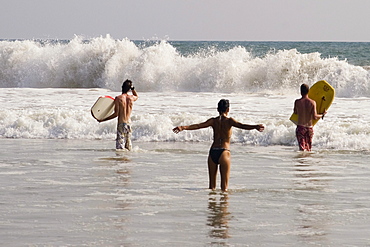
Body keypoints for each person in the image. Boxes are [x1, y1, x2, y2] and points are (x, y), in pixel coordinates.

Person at [173, 99, 264, 192]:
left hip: (213, 152)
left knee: (211, 188)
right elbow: (242, 125)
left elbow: (198, 126)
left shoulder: (213, 121)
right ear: (228, 109)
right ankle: (223, 206)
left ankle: (212, 205)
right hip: (224, 152)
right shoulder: (229, 121)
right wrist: (255, 126)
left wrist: (183, 127)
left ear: (217, 109)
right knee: (224, 189)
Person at [98, 79, 138, 151]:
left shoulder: (118, 98)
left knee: (120, 148)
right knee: (128, 147)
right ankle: (127, 161)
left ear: (122, 87)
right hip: (129, 124)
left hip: (121, 124)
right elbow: (136, 96)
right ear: (129, 89)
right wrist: (133, 88)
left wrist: (103, 119)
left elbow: (116, 114)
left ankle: (121, 161)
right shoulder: (131, 98)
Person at [293, 84, 326, 151]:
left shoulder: (297, 102)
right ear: (308, 91)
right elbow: (315, 116)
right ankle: (308, 160)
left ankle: (302, 160)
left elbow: (295, 112)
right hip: (309, 128)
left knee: (302, 149)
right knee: (308, 148)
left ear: (300, 92)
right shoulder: (312, 102)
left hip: (300, 128)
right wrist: (322, 115)